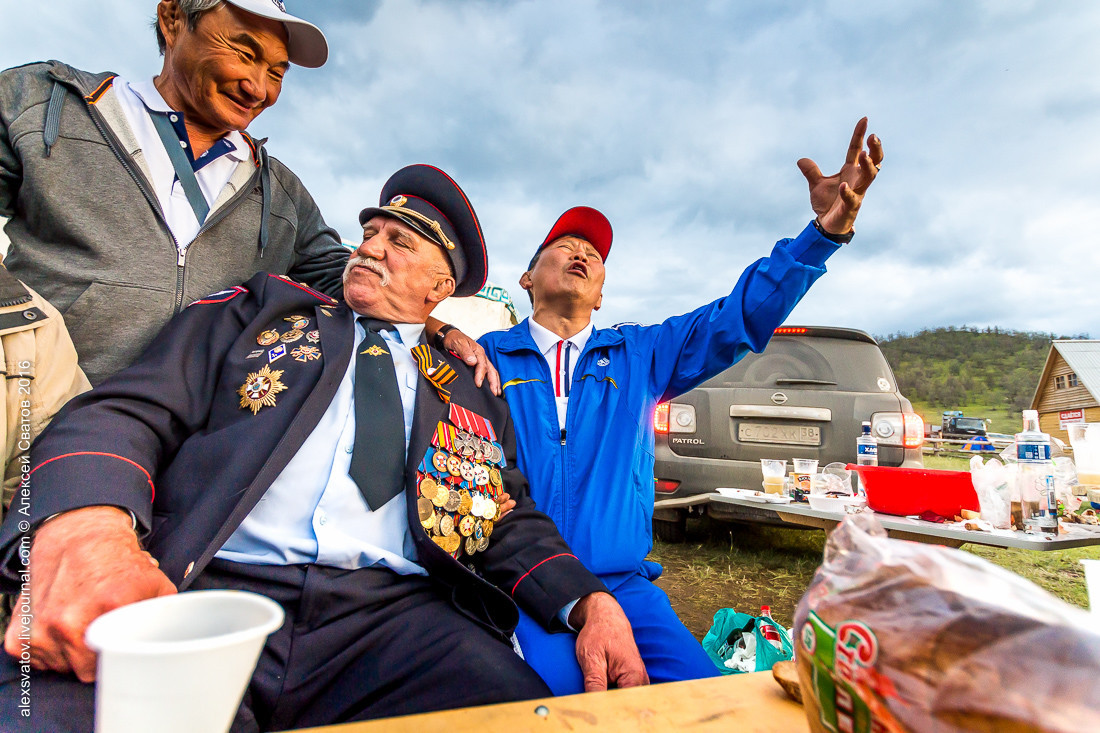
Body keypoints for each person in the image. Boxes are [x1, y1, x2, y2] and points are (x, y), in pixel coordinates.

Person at [0, 164, 647, 731]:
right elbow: (127, 408)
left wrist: (593, 599)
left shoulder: (467, 390)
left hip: (391, 620)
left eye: (399, 241)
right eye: (369, 233)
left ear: (439, 287)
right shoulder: (260, 313)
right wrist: (84, 521)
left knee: (511, 712)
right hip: (205, 589)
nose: (370, 246)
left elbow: (500, 517)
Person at [476, 118, 884, 694]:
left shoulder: (640, 353)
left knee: (701, 700)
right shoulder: (486, 359)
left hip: (625, 583)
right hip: (526, 582)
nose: (581, 253)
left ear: (602, 289)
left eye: (593, 253)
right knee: (560, 702)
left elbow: (739, 314)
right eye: (564, 245)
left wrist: (824, 231)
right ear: (525, 277)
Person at [0, 0, 351, 386]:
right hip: (30, 417)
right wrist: (17, 336)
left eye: (276, 72)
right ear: (172, 20)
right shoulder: (42, 104)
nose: (258, 88)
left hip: (182, 440)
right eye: (244, 52)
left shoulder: (283, 195)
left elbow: (350, 282)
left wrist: (427, 314)